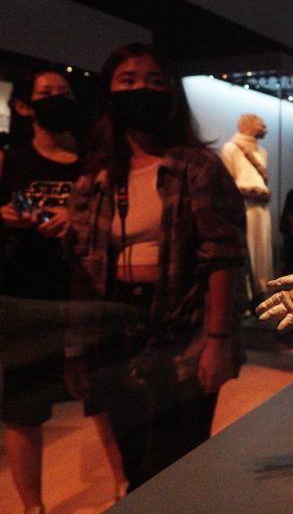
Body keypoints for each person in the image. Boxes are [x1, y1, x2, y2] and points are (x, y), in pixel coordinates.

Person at [67, 43, 247, 491]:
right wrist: (75, 349)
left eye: (153, 80)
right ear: (109, 94)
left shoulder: (197, 166)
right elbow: (81, 269)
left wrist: (218, 341)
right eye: (127, 80)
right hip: (114, 330)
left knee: (176, 462)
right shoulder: (95, 176)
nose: (141, 89)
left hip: (183, 328)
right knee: (133, 462)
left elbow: (222, 257)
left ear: (170, 93)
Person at [0, 66, 126, 514]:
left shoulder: (95, 161)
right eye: (46, 92)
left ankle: (126, 488)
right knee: (24, 409)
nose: (57, 99)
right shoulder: (8, 160)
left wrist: (78, 219)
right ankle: (32, 508)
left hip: (85, 292)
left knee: (102, 397)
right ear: (23, 106)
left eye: (64, 92)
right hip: (25, 295)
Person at [220, 114, 273, 300]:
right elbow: (227, 183)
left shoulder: (262, 152)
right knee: (247, 247)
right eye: (260, 124)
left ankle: (260, 289)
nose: (264, 128)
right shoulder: (230, 148)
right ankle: (246, 293)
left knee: (261, 250)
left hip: (261, 208)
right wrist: (248, 192)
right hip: (244, 207)